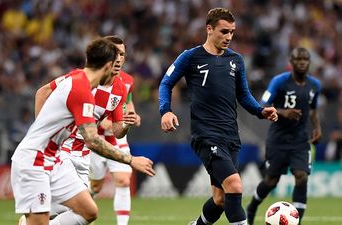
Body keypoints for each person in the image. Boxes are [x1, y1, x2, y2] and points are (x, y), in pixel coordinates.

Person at [11, 37, 155, 225]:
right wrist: (131, 159)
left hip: (57, 159)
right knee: (42, 219)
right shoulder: (79, 86)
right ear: (107, 66)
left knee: (89, 212)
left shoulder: (93, 86)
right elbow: (92, 139)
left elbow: (104, 131)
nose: (119, 62)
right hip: (35, 159)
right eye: (116, 57)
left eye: (123, 55)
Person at [158, 8, 278, 225]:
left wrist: (261, 111)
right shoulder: (191, 57)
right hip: (206, 135)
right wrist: (165, 110)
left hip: (231, 136)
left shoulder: (236, 60)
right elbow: (166, 83)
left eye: (232, 32)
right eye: (224, 31)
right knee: (234, 185)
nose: (229, 37)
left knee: (221, 199)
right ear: (209, 29)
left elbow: (243, 95)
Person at [246, 47, 322, 225]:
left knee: (301, 176)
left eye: (305, 59)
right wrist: (282, 112)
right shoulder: (279, 82)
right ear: (291, 62)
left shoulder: (315, 85)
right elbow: (263, 104)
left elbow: (313, 110)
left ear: (309, 62)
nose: (302, 62)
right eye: (298, 59)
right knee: (271, 181)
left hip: (300, 140)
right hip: (278, 139)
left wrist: (317, 128)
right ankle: (252, 206)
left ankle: (297, 221)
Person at [88, 36, 141, 225]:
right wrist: (103, 123)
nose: (119, 58)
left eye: (123, 54)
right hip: (92, 140)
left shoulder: (126, 81)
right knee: (95, 186)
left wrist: (132, 115)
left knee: (123, 180)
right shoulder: (91, 79)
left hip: (117, 139)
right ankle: (84, 210)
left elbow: (127, 102)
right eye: (116, 53)